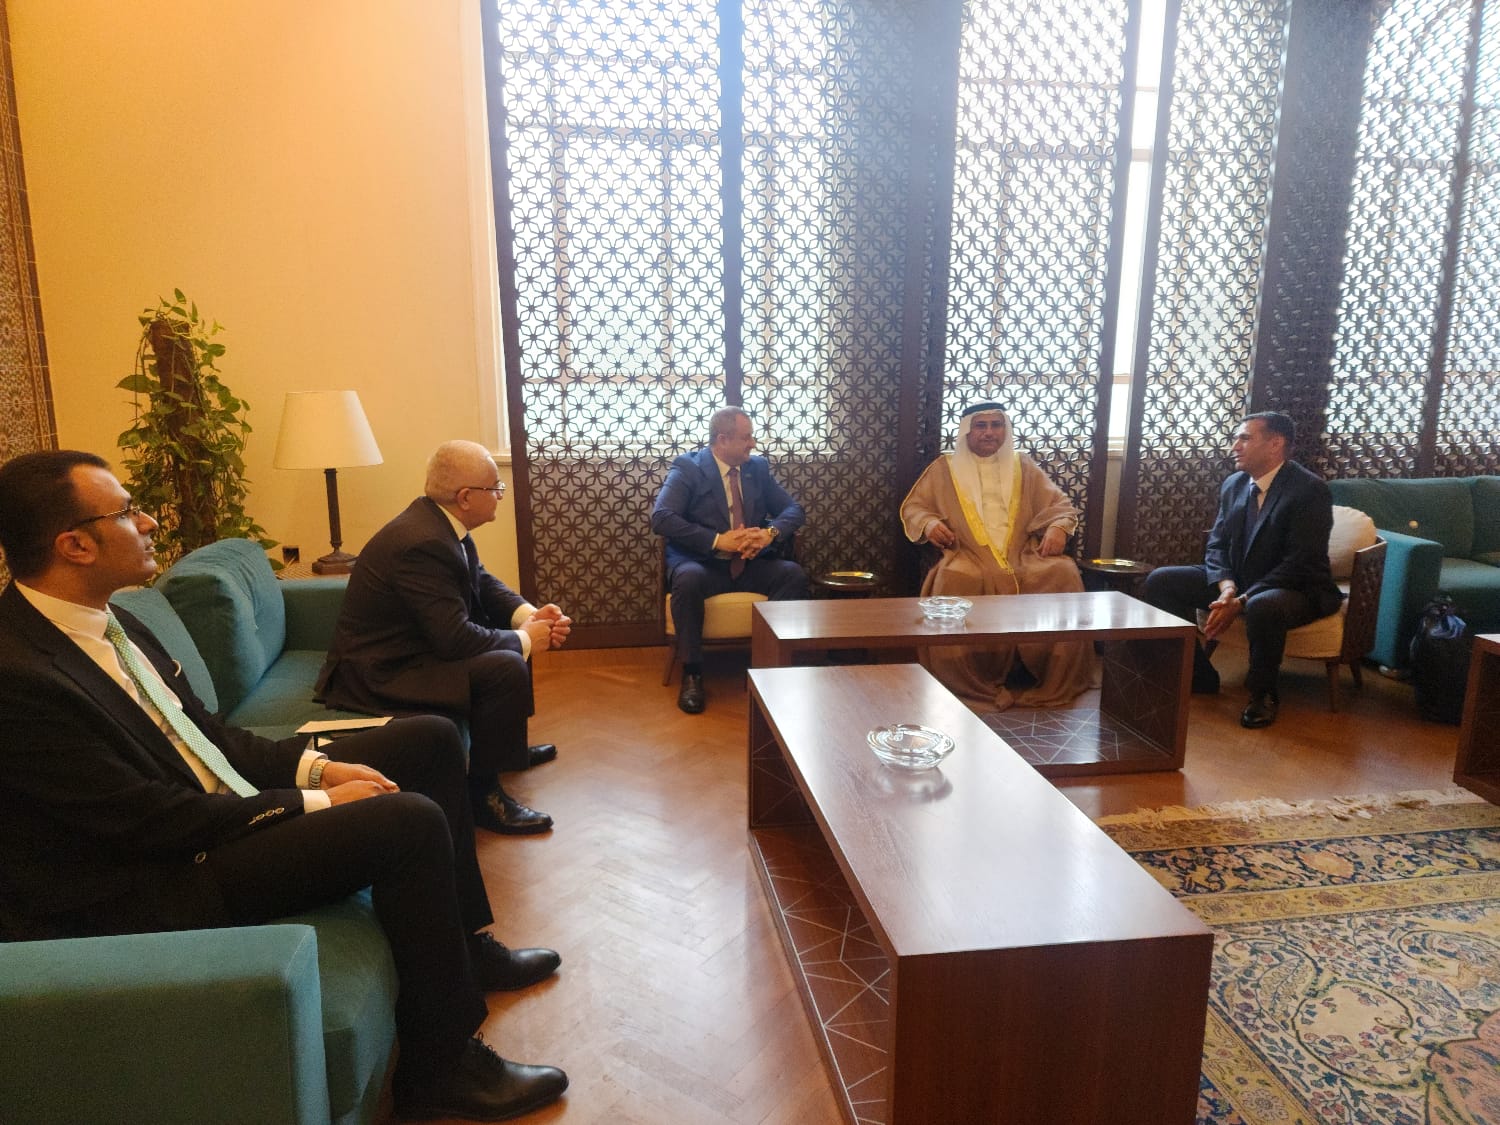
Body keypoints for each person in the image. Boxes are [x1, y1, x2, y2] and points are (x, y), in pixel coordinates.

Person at [0, 450, 568, 1122]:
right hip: (160, 874)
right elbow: (152, 819)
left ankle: (466, 948)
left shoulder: (113, 620)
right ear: (75, 544)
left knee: (431, 738)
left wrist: (318, 769)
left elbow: (209, 737)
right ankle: (441, 1067)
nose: (148, 522)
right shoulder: (21, 679)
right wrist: (313, 804)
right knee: (406, 821)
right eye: (127, 512)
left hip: (207, 807)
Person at [316, 440, 572, 836]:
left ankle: (507, 752)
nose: (501, 494)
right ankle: (484, 798)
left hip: (412, 651)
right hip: (382, 673)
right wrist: (525, 638)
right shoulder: (423, 543)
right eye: (495, 488)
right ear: (466, 497)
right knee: (506, 661)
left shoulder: (440, 524)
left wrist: (528, 616)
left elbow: (481, 580)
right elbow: (455, 640)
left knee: (515, 638)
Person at [1142, 411, 1343, 729]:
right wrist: (1227, 587)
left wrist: (1242, 600)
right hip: (1239, 579)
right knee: (1161, 581)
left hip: (1297, 587)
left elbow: (1300, 562)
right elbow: (1217, 544)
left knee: (1263, 605)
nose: (1234, 446)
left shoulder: (1309, 490)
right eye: (1236, 438)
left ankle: (1263, 694)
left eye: (1245, 438)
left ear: (1275, 444)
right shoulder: (1234, 484)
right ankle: (1196, 676)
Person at [900, 401, 1095, 711]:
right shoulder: (944, 468)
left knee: (1063, 572)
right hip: (967, 553)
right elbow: (914, 507)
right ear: (967, 431)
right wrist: (930, 523)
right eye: (981, 426)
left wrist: (1058, 527)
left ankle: (1054, 677)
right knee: (956, 577)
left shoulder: (1023, 465)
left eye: (996, 425)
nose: (989, 433)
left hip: (1023, 553)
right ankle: (965, 680)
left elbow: (1060, 506)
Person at [651, 406, 808, 714]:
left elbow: (794, 510)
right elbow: (662, 517)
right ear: (723, 440)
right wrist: (717, 540)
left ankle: (772, 668)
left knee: (793, 575)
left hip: (751, 563)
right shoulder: (688, 467)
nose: (753, 443)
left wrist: (769, 534)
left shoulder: (757, 468)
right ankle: (692, 674)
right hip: (704, 564)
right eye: (746, 437)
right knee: (687, 579)